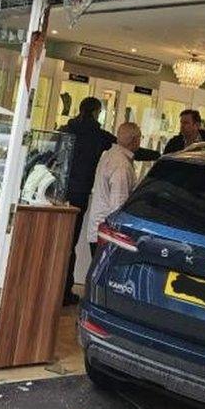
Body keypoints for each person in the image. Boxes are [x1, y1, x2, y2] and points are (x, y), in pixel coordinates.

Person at [59, 97, 157, 305]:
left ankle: (60, 289)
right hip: (83, 195)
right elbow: (118, 202)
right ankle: (71, 294)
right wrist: (159, 156)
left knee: (64, 244)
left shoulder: (66, 129)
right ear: (96, 112)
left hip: (63, 192)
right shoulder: (102, 139)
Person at [86, 122, 141, 256]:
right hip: (108, 233)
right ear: (135, 140)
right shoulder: (121, 165)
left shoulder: (109, 155)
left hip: (99, 228)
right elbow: (118, 204)